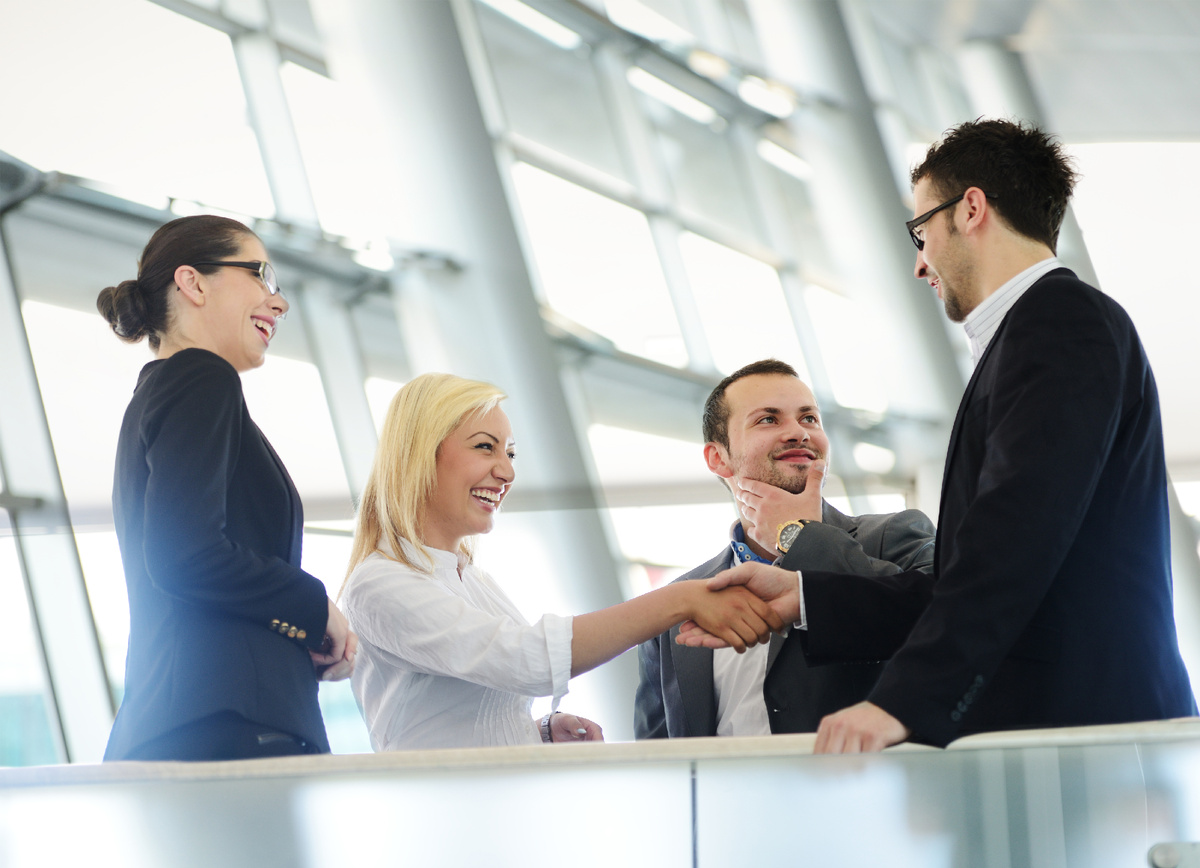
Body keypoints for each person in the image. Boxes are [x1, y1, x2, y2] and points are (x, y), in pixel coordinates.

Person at [679, 119, 1197, 752]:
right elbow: (970, 575)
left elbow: (1014, 541)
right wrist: (807, 596)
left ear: (971, 208)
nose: (920, 263)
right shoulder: (1031, 337)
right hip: (1067, 732)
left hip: (1085, 733)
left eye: (921, 230)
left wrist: (900, 703)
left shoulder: (1061, 324)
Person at [338, 372, 785, 750]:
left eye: (509, 453)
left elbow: (451, 722)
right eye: (485, 447)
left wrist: (536, 733)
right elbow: (526, 660)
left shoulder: (471, 579)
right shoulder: (379, 583)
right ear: (421, 453)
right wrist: (678, 601)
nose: (507, 471)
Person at [97, 215, 356, 761]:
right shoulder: (200, 376)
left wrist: (285, 633)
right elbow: (185, 556)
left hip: (194, 722)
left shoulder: (162, 391)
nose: (278, 301)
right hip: (227, 728)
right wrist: (314, 608)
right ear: (192, 283)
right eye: (262, 275)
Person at [635, 359, 935, 739]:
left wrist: (798, 534)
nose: (798, 433)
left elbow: (949, 624)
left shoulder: (895, 537)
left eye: (809, 418)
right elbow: (658, 755)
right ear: (718, 458)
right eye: (768, 420)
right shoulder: (675, 605)